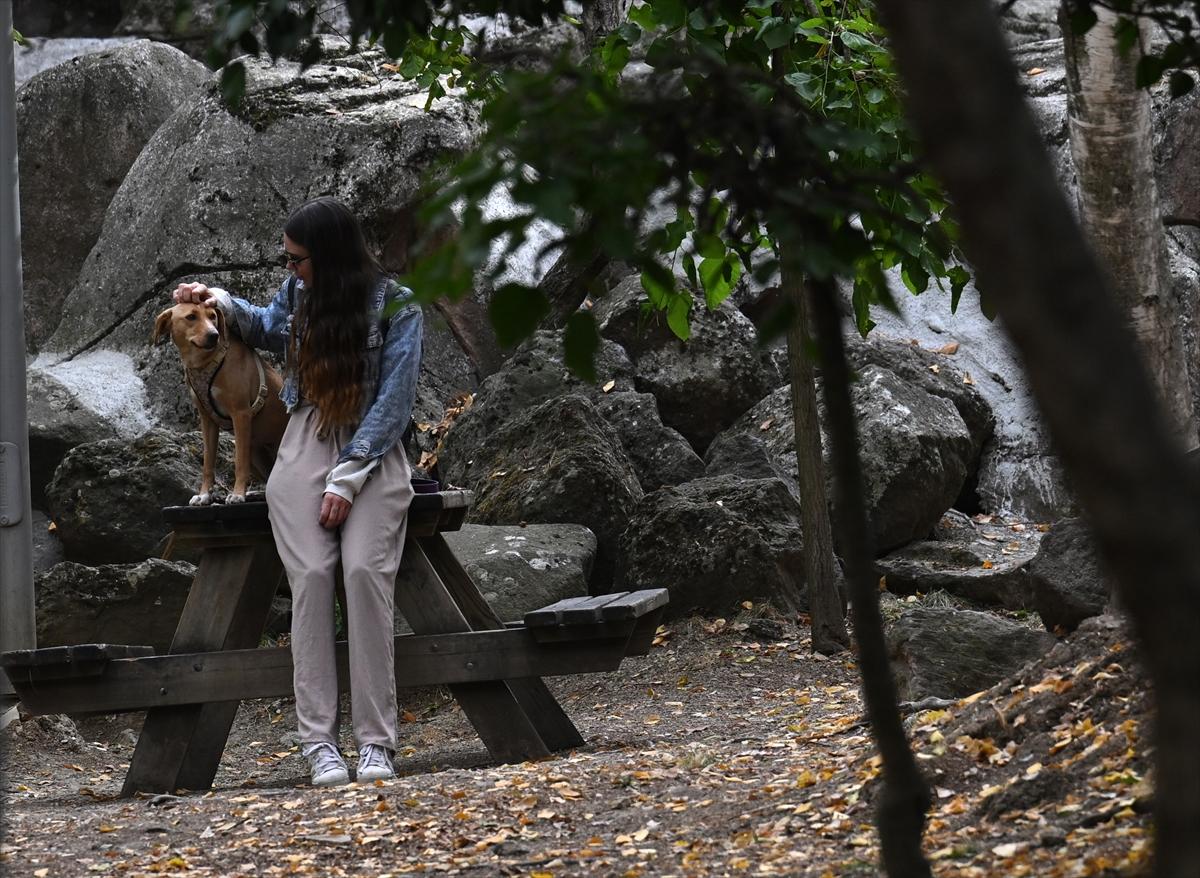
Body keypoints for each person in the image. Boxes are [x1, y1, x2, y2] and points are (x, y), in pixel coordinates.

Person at [173, 197, 423, 786]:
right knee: (310, 576)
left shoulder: (399, 306)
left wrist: (350, 474)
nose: (290, 270)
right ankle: (319, 744)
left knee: (364, 573)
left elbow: (396, 398)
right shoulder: (299, 298)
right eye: (286, 260)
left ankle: (375, 745)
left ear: (329, 257)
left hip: (373, 449)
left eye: (297, 260)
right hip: (306, 436)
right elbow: (262, 326)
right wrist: (220, 301)